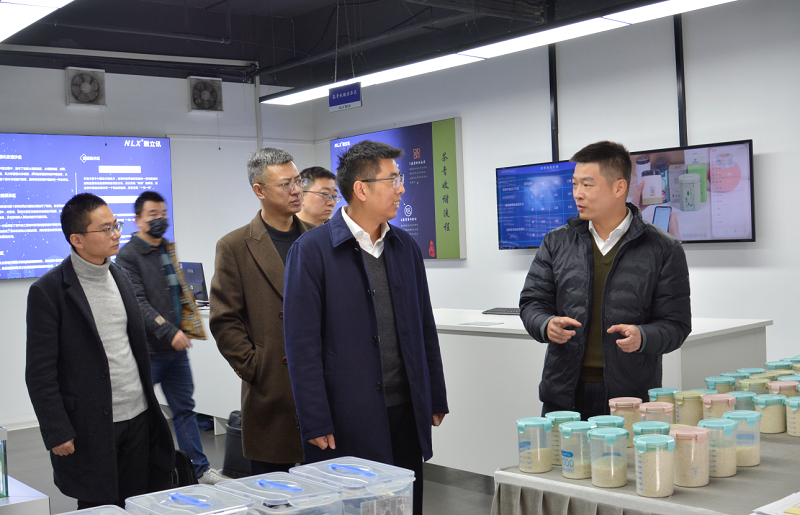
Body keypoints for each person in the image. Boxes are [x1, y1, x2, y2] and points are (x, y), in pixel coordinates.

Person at [283, 140, 449, 515]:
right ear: (361, 189)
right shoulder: (311, 251)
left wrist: (434, 396)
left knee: (404, 505)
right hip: (347, 415)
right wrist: (314, 419)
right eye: (393, 180)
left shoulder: (404, 247)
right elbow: (301, 346)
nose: (401, 189)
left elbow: (424, 327)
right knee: (357, 506)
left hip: (405, 410)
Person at [519, 141, 691, 421]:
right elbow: (532, 303)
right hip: (563, 392)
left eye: (587, 185)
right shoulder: (556, 242)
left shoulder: (663, 249)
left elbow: (677, 325)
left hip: (628, 397)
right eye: (575, 184)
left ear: (619, 188)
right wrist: (545, 324)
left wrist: (643, 336)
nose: (577, 193)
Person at [25, 193, 175, 509]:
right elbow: (40, 372)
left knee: (137, 502)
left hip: (138, 415)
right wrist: (56, 430)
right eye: (106, 229)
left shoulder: (120, 276)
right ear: (77, 239)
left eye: (116, 225)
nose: (116, 234)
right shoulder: (49, 291)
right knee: (99, 505)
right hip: (90, 424)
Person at [209, 147, 314, 474]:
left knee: (323, 486)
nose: (296, 190)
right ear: (259, 190)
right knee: (273, 488)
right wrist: (256, 367)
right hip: (271, 390)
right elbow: (224, 319)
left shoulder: (317, 240)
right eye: (285, 184)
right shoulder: (235, 246)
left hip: (319, 387)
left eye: (298, 181)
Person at [116, 191, 224, 485]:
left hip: (175, 353)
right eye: (153, 214)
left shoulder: (166, 249)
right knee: (139, 417)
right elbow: (138, 303)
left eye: (163, 213)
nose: (160, 219)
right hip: (148, 352)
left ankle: (198, 471)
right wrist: (168, 331)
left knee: (184, 411)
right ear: (138, 220)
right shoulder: (128, 256)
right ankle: (142, 474)